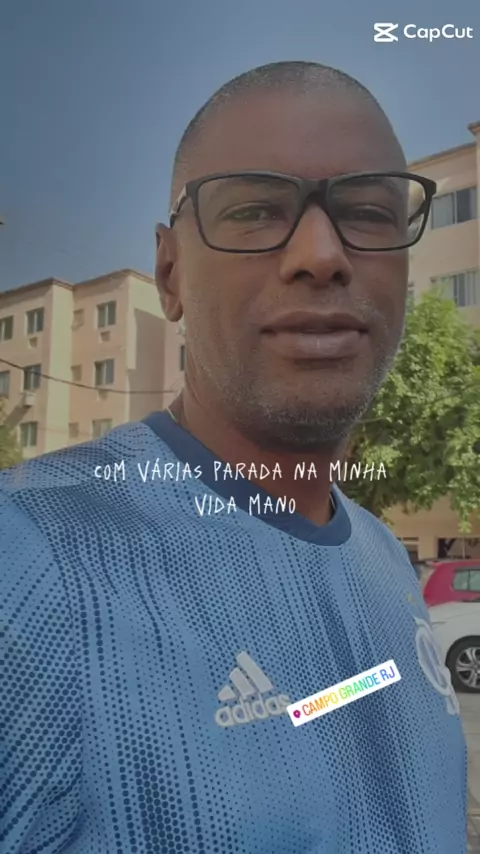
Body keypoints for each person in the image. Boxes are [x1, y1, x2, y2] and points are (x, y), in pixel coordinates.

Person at [0, 61, 467, 853]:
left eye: (367, 212)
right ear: (170, 273)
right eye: (253, 210)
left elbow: (312, 723)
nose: (320, 254)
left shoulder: (386, 557)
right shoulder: (33, 559)